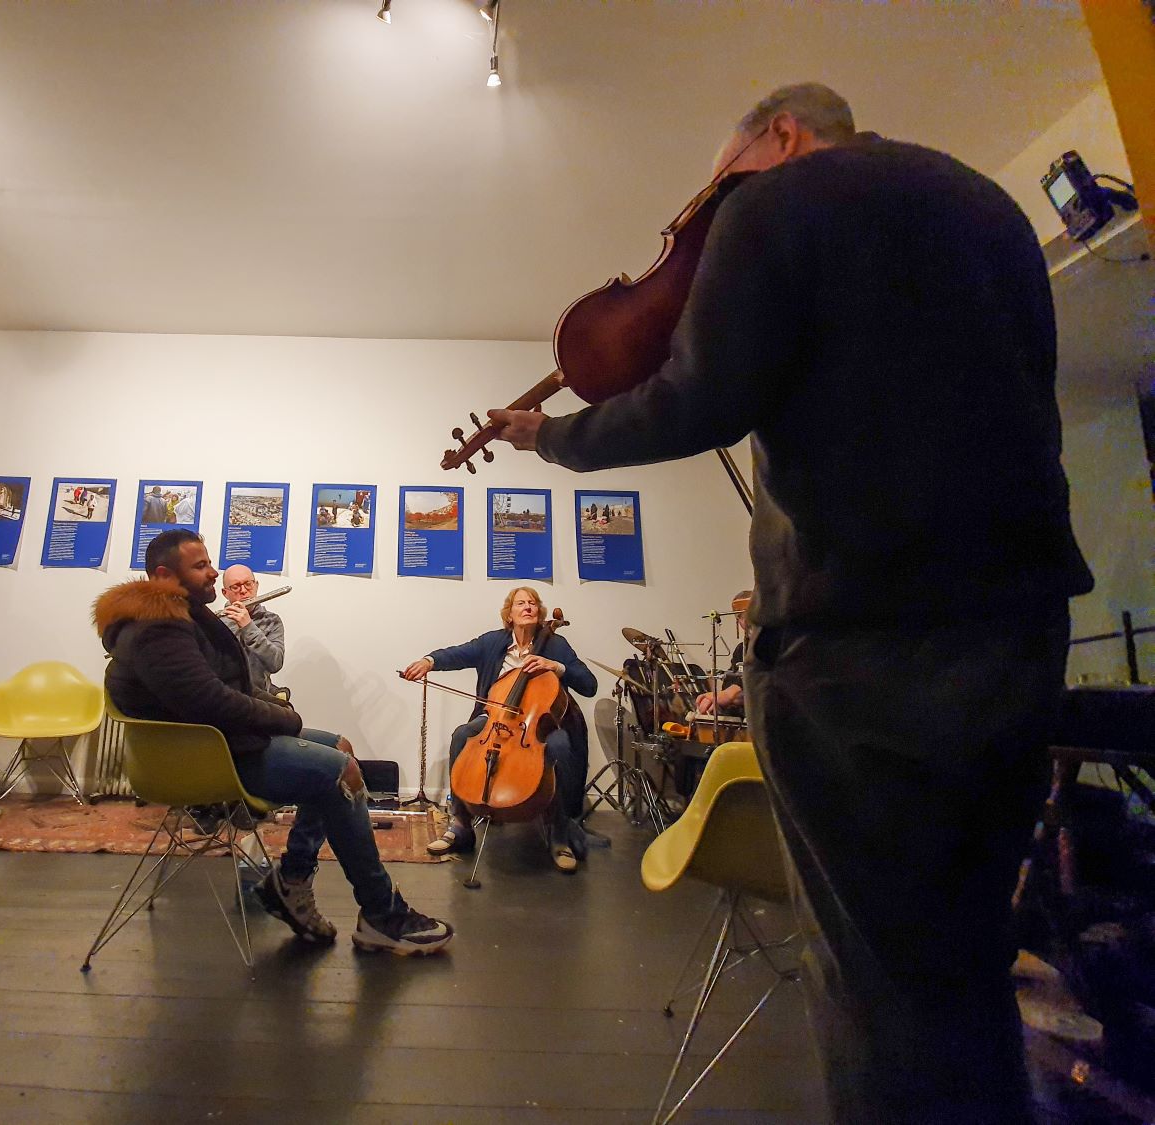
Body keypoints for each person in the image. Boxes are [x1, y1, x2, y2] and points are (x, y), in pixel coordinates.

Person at [484, 83, 1092, 1124]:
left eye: (724, 176)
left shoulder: (779, 201)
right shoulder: (989, 207)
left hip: (859, 646)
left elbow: (696, 399)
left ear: (782, 133)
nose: (711, 206)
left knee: (874, 980)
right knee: (965, 956)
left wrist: (556, 438)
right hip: (1019, 630)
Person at [94, 529, 453, 956]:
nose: (214, 573)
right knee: (339, 772)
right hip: (206, 758)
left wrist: (279, 711)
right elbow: (210, 701)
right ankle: (381, 913)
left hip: (220, 743)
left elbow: (232, 686)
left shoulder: (180, 617)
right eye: (201, 566)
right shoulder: (158, 630)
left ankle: (290, 881)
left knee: (339, 747)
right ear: (164, 575)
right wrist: (285, 718)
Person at [402, 586, 598, 873]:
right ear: (509, 614)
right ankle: (461, 825)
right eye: (521, 603)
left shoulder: (556, 645)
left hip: (538, 725)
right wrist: (428, 661)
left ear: (539, 611)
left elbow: (589, 684)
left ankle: (559, 835)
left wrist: (555, 666)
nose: (528, 607)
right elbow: (459, 654)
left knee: (559, 746)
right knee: (462, 735)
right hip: (496, 719)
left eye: (533, 603)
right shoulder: (493, 642)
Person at [218, 564, 285, 697]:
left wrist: (248, 627)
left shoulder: (272, 620)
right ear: (225, 593)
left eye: (248, 584)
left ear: (256, 585)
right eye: (236, 587)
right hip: (224, 696)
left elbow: (275, 664)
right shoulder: (216, 622)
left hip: (258, 698)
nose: (243, 591)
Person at [694, 588, 751, 716]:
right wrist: (723, 696)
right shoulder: (741, 649)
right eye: (740, 616)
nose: (746, 621)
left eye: (750, 614)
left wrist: (729, 695)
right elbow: (730, 683)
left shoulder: (778, 646)